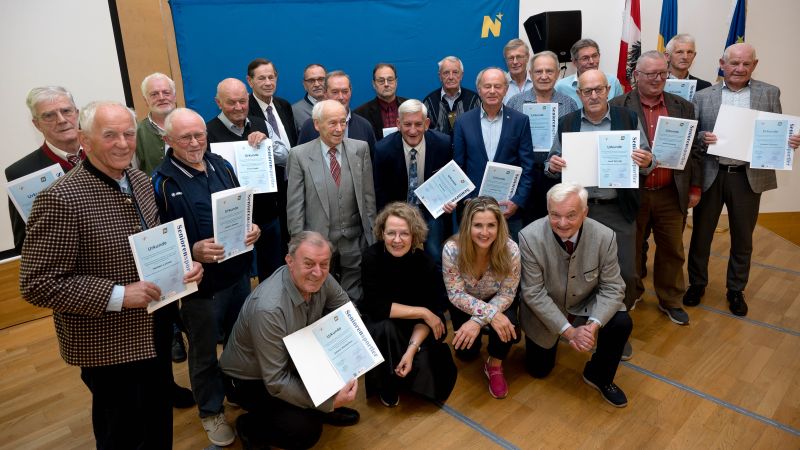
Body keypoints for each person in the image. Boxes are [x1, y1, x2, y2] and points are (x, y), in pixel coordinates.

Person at [19, 101, 203, 449]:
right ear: (85, 140)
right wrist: (117, 294)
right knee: (122, 433)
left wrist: (184, 263)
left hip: (156, 327)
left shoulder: (140, 180)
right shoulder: (59, 199)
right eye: (110, 135)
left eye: (129, 134)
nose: (122, 143)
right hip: (108, 344)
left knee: (157, 421)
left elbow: (153, 239)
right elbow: (37, 284)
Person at [152, 108, 261, 446]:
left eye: (199, 134)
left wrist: (252, 227)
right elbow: (156, 242)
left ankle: (235, 390)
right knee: (203, 354)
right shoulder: (161, 182)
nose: (195, 142)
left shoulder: (222, 165)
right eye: (185, 137)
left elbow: (241, 208)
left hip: (237, 276)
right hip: (200, 289)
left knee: (239, 342)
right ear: (168, 140)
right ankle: (211, 411)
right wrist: (192, 251)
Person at [546, 69, 655, 359]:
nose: (593, 95)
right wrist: (552, 165)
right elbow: (550, 162)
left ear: (608, 90)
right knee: (578, 270)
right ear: (578, 94)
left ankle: (616, 332)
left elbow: (649, 160)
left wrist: (646, 160)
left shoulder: (628, 118)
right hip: (577, 214)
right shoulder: (568, 122)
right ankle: (582, 323)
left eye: (598, 89)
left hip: (617, 208)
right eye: (587, 91)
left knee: (625, 272)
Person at [684, 43, 800, 316]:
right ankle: (697, 284)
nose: (739, 68)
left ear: (754, 65)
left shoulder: (769, 93)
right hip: (712, 175)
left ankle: (736, 290)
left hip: (747, 178)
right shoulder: (703, 96)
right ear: (722, 64)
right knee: (701, 235)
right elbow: (693, 137)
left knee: (743, 238)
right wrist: (702, 138)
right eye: (734, 63)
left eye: (746, 64)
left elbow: (777, 132)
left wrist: (789, 141)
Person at [220, 231, 360, 450]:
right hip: (250, 379)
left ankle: (320, 407)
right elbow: (276, 380)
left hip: (293, 358)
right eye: (309, 264)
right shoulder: (268, 308)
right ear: (290, 261)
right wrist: (329, 401)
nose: (317, 272)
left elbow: (348, 314)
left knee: (336, 353)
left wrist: (352, 359)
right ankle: (248, 426)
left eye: (324, 264)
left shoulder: (322, 276)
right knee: (305, 431)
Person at [609, 51, 703, 325]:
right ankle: (633, 293)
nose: (657, 79)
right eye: (650, 74)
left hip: (671, 192)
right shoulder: (618, 105)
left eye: (662, 73)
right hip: (633, 192)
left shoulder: (683, 106)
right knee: (631, 248)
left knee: (672, 249)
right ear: (636, 75)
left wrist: (695, 187)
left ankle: (670, 299)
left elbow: (693, 151)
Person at [519, 182, 632, 408]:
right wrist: (570, 332)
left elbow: (613, 287)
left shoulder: (605, 236)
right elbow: (534, 293)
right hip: (547, 309)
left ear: (585, 212)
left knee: (621, 322)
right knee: (538, 370)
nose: (562, 223)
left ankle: (599, 375)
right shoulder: (529, 237)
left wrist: (592, 326)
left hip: (586, 304)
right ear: (547, 211)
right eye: (555, 215)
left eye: (571, 215)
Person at [360, 202, 457, 407]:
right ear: (382, 233)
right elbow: (376, 306)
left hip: (415, 328)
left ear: (414, 235)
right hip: (383, 324)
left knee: (431, 382)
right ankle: (387, 383)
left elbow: (433, 314)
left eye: (404, 233)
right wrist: (422, 311)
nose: (397, 240)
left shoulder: (425, 263)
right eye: (391, 233)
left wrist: (411, 350)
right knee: (384, 328)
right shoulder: (371, 257)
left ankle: (407, 360)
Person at [287, 99, 377, 303]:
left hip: (354, 239)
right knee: (319, 294)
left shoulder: (360, 149)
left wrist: (371, 236)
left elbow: (368, 197)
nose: (339, 129)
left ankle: (352, 318)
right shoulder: (299, 155)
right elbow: (295, 207)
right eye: (332, 123)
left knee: (354, 293)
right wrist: (299, 244)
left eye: (343, 122)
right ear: (317, 124)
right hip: (318, 241)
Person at [206, 78, 289, 282]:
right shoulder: (208, 133)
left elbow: (286, 157)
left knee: (273, 275)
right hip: (233, 221)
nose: (238, 107)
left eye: (242, 101)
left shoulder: (261, 124)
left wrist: (267, 144)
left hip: (268, 215)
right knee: (239, 279)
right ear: (218, 103)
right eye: (231, 102)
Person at [442, 196, 520, 399]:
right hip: (464, 302)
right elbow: (456, 293)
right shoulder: (452, 249)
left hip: (499, 299)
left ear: (499, 226)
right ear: (468, 225)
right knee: (467, 354)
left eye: (491, 225)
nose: (484, 233)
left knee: (507, 325)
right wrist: (487, 316)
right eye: (478, 225)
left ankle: (495, 364)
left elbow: (507, 293)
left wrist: (477, 321)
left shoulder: (511, 250)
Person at [454, 67, 534, 239]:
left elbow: (528, 167)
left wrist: (517, 201)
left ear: (506, 89)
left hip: (508, 209)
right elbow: (459, 166)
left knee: (510, 253)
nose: (492, 91)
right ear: (479, 89)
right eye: (487, 86)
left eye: (497, 86)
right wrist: (467, 199)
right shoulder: (463, 122)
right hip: (473, 209)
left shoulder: (520, 121)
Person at [372, 99, 453, 267]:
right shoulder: (383, 149)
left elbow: (451, 181)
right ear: (398, 124)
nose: (413, 130)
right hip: (397, 210)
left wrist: (451, 201)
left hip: (431, 209)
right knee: (397, 258)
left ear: (427, 124)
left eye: (418, 124)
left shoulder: (443, 144)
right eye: (407, 124)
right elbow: (380, 191)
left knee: (434, 255)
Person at [6, 86, 84, 254]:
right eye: (49, 115)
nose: (61, 120)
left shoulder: (107, 153)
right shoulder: (22, 173)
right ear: (36, 124)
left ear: (77, 113)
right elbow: (25, 244)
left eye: (66, 111)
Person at [506, 50, 579, 223]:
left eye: (549, 71)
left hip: (558, 178)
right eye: (539, 71)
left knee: (557, 224)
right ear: (531, 74)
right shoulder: (515, 102)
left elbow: (575, 143)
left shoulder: (569, 104)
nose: (544, 76)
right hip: (523, 178)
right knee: (525, 227)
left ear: (557, 74)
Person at [297, 70, 377, 158]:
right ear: (325, 94)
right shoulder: (310, 126)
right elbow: (301, 159)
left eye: (345, 91)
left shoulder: (364, 126)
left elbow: (371, 161)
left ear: (350, 92)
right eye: (335, 92)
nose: (341, 97)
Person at [422, 56, 482, 136]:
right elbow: (424, 132)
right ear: (440, 76)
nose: (451, 77)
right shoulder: (429, 101)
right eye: (446, 73)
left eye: (455, 72)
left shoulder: (474, 99)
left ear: (461, 75)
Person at [554, 39, 624, 104]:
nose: (591, 61)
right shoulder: (561, 87)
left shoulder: (612, 82)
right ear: (574, 62)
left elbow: (619, 109)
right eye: (585, 58)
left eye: (594, 56)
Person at [246, 58, 298, 146]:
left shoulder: (284, 105)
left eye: (271, 77)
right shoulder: (245, 110)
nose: (268, 83)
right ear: (250, 81)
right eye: (262, 78)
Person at [135, 72, 177, 175]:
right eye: (154, 94)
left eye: (166, 93)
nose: (161, 98)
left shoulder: (192, 124)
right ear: (146, 100)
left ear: (174, 96)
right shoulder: (136, 132)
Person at [354, 63, 408, 139]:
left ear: (396, 82)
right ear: (374, 84)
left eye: (390, 80)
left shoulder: (411, 107)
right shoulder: (360, 114)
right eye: (381, 81)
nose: (386, 84)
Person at [292, 63, 327, 132]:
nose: (317, 84)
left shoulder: (337, 105)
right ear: (304, 85)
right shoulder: (294, 112)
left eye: (321, 79)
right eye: (311, 80)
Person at [502, 39, 532, 103]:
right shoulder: (500, 84)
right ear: (506, 60)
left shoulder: (538, 82)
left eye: (519, 57)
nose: (515, 62)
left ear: (527, 57)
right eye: (511, 58)